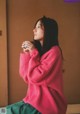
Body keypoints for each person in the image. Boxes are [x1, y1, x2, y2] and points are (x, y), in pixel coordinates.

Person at [6, 16, 67, 114]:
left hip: (46, 104)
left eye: (38, 26)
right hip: (32, 101)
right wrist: (27, 53)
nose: (34, 30)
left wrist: (33, 52)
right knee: (3, 111)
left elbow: (35, 77)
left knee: (4, 112)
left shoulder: (54, 51)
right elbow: (26, 76)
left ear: (48, 30)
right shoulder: (39, 52)